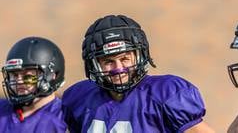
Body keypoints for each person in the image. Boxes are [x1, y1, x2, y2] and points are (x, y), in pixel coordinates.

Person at [62, 15, 214, 133]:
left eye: (125, 59)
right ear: (94, 64)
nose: (118, 68)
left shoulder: (164, 94)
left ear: (140, 56)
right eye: (109, 61)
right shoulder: (79, 97)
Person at [0, 37, 67, 132]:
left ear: (52, 76)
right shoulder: (3, 111)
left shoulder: (65, 118)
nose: (19, 81)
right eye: (14, 75)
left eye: (28, 77)